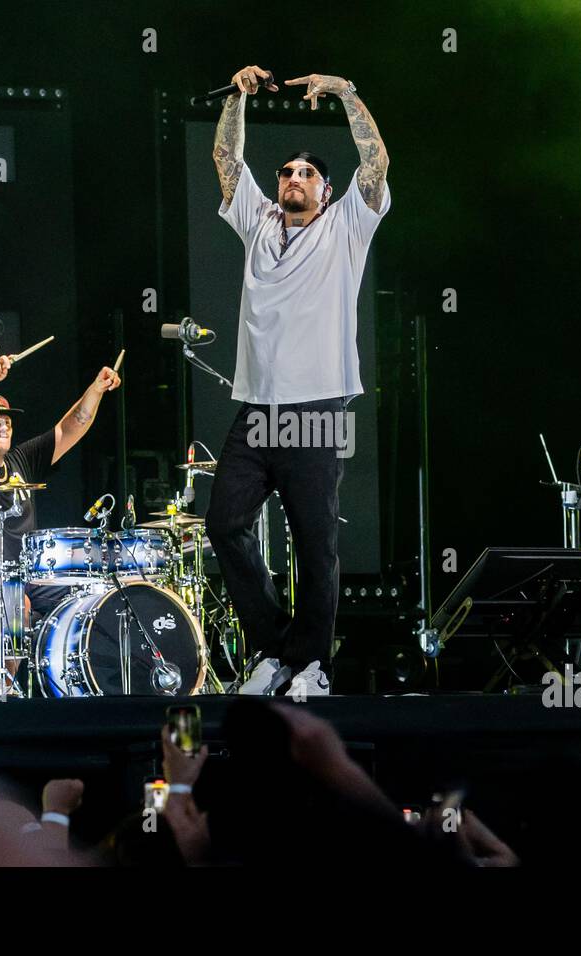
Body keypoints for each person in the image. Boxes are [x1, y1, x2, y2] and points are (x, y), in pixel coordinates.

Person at [206, 65, 391, 696]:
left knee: (315, 542)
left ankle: (313, 664)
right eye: (287, 172)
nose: (292, 179)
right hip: (257, 408)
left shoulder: (347, 226)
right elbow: (227, 156)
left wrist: (346, 92)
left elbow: (376, 164)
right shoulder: (257, 221)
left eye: (306, 173)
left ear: (326, 188)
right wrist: (238, 96)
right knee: (224, 523)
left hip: (317, 405)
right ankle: (273, 650)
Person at [0, 353, 121, 617]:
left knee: (94, 592)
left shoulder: (21, 460)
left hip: (27, 575)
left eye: (8, 422)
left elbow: (72, 426)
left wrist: (96, 389)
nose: (4, 427)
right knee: (17, 603)